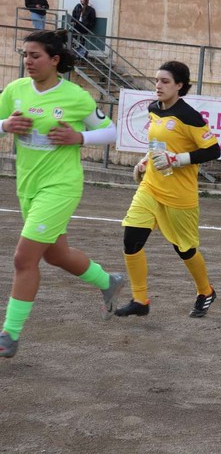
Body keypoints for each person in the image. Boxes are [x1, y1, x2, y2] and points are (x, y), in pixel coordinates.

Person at [0, 30, 124, 358]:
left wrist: (79, 138)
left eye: (35, 55)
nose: (28, 61)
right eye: (25, 54)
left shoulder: (75, 96)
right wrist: (4, 126)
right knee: (55, 255)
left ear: (55, 60)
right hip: (27, 185)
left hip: (61, 186)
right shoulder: (14, 91)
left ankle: (9, 335)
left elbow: (111, 130)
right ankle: (108, 281)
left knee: (23, 259)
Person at [115, 61, 221, 319]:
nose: (158, 86)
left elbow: (213, 150)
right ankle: (140, 300)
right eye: (156, 80)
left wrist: (177, 159)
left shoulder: (190, 116)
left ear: (179, 85)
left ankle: (205, 291)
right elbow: (157, 142)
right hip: (151, 187)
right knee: (131, 240)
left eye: (165, 81)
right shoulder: (154, 109)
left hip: (179, 195)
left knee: (184, 249)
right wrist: (147, 158)